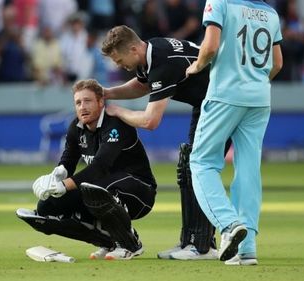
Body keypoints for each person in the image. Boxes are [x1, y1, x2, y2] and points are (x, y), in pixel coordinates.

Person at [101, 25, 231, 260]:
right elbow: (143, 85)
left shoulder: (163, 63)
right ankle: (191, 241)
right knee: (189, 165)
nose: (120, 66)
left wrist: (118, 111)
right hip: (208, 104)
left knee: (198, 168)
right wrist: (108, 92)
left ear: (132, 48)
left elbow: (151, 121)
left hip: (221, 105)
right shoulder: (152, 48)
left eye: (120, 60)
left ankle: (202, 246)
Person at [185, 0, 283, 266]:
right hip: (260, 98)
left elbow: (211, 45)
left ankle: (229, 225)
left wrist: (196, 66)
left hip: (225, 94)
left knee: (201, 162)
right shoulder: (269, 12)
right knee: (249, 169)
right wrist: (254, 82)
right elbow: (277, 63)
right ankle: (247, 248)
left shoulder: (219, 2)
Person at [16, 79, 157, 260]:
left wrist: (65, 185)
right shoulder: (76, 127)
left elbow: (100, 166)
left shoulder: (115, 125)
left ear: (100, 102)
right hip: (101, 189)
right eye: (78, 103)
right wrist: (57, 175)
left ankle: (129, 244)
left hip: (140, 192)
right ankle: (107, 241)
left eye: (88, 101)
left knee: (94, 190)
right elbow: (68, 160)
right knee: (47, 206)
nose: (82, 107)